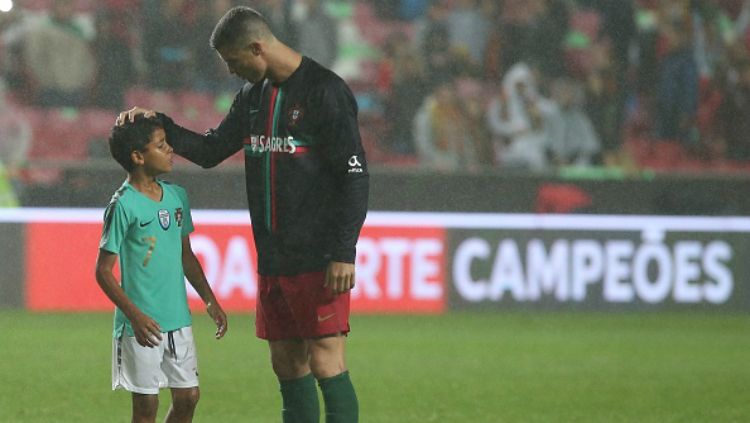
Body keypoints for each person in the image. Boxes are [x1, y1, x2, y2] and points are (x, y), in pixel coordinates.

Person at [118, 6, 368, 422]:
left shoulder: (326, 91)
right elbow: (212, 150)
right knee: (287, 364)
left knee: (326, 362)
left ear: (257, 47)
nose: (232, 72)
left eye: (234, 62)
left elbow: (354, 177)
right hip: (272, 259)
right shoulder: (254, 97)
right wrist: (157, 123)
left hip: (318, 257)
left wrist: (344, 251)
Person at [95, 116, 228, 423]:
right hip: (141, 324)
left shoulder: (177, 196)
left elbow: (186, 255)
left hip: (178, 319)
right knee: (146, 409)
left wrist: (209, 299)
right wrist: (135, 316)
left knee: (188, 398)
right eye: (161, 145)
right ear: (138, 157)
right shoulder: (123, 205)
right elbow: (102, 272)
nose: (171, 150)